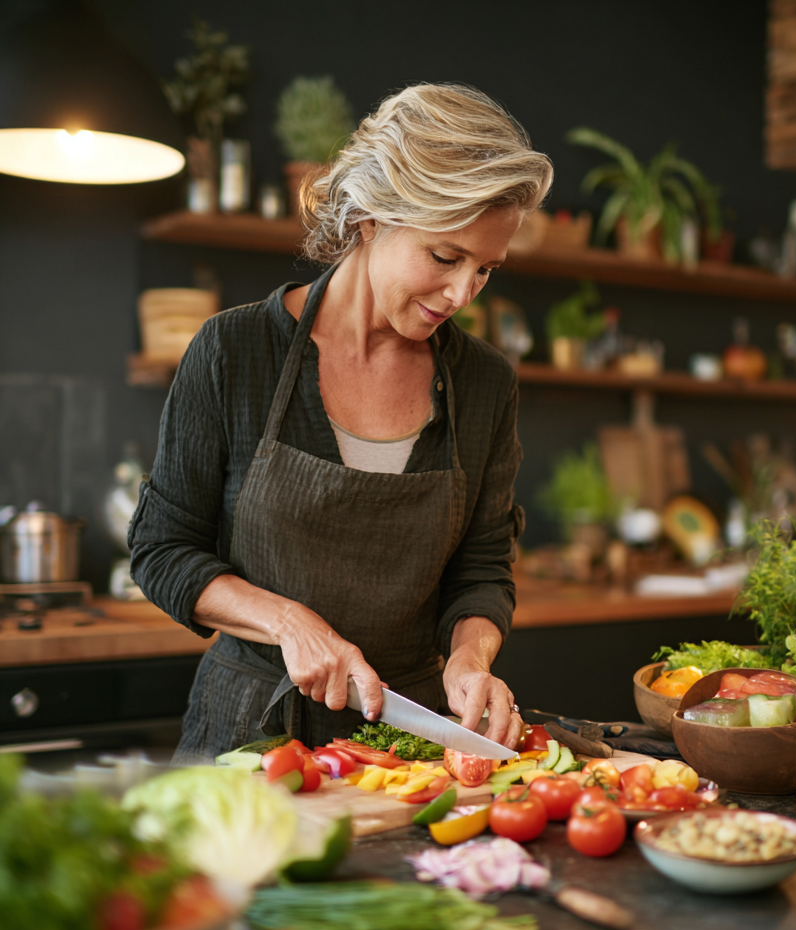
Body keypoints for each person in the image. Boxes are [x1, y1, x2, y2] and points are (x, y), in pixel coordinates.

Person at [129, 83, 553, 763]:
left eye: (485, 270)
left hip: (409, 743)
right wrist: (287, 622)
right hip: (248, 742)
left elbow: (482, 565)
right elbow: (162, 550)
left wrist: (470, 659)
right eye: (445, 257)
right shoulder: (234, 352)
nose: (462, 293)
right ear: (371, 219)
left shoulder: (483, 383)